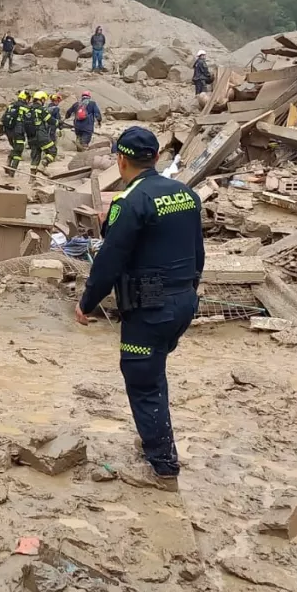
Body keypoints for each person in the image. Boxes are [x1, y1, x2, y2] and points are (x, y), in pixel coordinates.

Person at [74, 127, 205, 490]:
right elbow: (198, 253)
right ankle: (155, 442)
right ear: (157, 158)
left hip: (148, 308)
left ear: (121, 159)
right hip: (181, 303)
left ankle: (162, 469)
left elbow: (109, 262)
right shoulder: (186, 194)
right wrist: (188, 295)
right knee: (154, 372)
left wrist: (87, 302)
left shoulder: (129, 203)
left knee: (143, 383)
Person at [0, 90, 33, 177]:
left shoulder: (11, 106)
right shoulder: (25, 107)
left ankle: (10, 167)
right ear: (26, 98)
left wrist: (1, 131)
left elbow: (2, 119)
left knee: (16, 148)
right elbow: (29, 121)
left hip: (8, 131)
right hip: (18, 132)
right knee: (19, 150)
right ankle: (11, 168)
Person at [27, 91, 60, 174]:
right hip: (41, 134)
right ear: (41, 99)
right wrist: (58, 122)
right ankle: (43, 164)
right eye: (44, 100)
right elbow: (49, 120)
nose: (44, 102)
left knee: (35, 156)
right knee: (53, 150)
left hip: (31, 136)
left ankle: (32, 178)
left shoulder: (28, 109)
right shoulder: (41, 109)